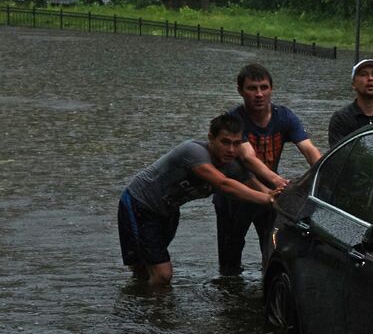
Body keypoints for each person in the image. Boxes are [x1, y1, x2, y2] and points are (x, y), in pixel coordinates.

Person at [118, 115, 282, 286]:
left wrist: (278, 197)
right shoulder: (194, 152)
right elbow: (223, 184)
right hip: (140, 204)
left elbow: (257, 186)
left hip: (168, 211)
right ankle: (153, 310)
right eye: (225, 142)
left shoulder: (232, 165)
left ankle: (143, 300)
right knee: (162, 274)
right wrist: (268, 199)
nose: (231, 150)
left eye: (236, 143)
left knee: (145, 268)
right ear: (211, 138)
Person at [216, 63, 322, 274]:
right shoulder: (234, 119)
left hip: (270, 195)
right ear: (240, 91)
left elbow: (308, 149)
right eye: (252, 88)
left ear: (271, 89)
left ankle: (269, 289)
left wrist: (325, 173)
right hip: (236, 195)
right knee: (230, 259)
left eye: (264, 87)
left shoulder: (284, 116)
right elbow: (247, 158)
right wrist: (281, 183)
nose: (258, 94)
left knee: (272, 248)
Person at [328, 58, 373, 146]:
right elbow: (338, 157)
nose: (370, 78)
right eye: (363, 74)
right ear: (354, 84)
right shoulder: (341, 119)